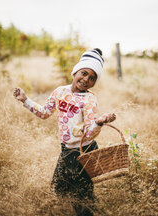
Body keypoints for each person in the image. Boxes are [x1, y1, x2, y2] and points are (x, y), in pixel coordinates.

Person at [13, 48, 116, 216]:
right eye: (84, 73)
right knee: (59, 188)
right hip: (67, 150)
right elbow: (45, 113)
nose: (86, 80)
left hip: (84, 151)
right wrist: (26, 100)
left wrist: (99, 123)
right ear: (75, 71)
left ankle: (90, 209)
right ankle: (91, 205)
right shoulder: (60, 92)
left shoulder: (89, 99)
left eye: (92, 78)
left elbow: (89, 133)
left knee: (82, 197)